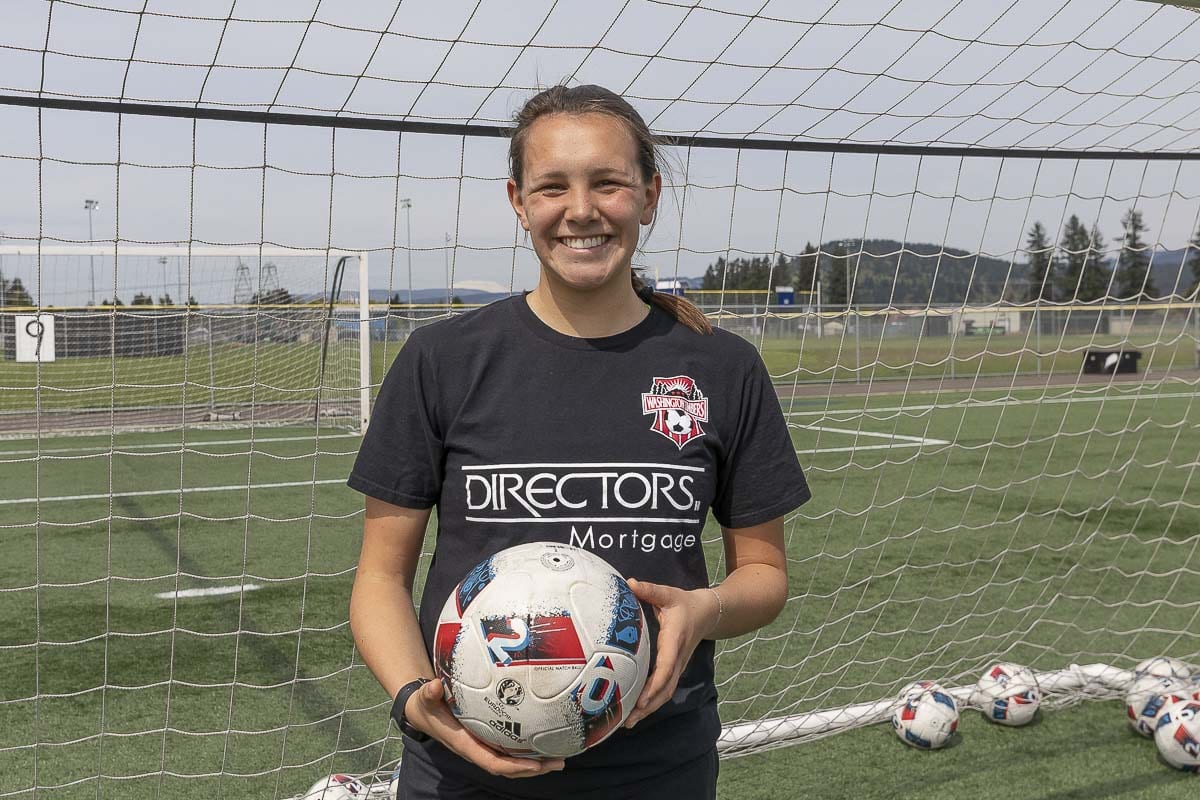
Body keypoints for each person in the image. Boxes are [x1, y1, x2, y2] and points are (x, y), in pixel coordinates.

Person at [348, 84, 811, 800]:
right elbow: (380, 580)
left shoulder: (723, 367)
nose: (582, 210)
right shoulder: (442, 361)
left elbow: (763, 574)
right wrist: (416, 699)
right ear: (519, 201)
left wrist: (705, 610)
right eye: (553, 186)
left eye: (608, 183)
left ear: (649, 196)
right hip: (464, 770)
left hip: (657, 768)